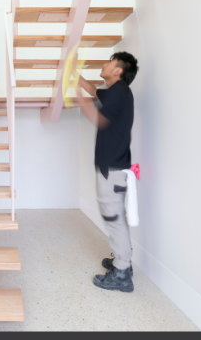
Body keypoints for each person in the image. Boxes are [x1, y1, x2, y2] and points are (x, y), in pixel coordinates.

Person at [76, 51, 139, 293]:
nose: (104, 64)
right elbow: (94, 90)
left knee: (114, 220)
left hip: (112, 170)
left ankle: (122, 272)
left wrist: (77, 99)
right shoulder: (116, 92)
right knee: (115, 218)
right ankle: (122, 263)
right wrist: (75, 77)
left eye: (109, 62)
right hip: (114, 167)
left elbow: (99, 119)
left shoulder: (120, 91)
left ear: (118, 71)